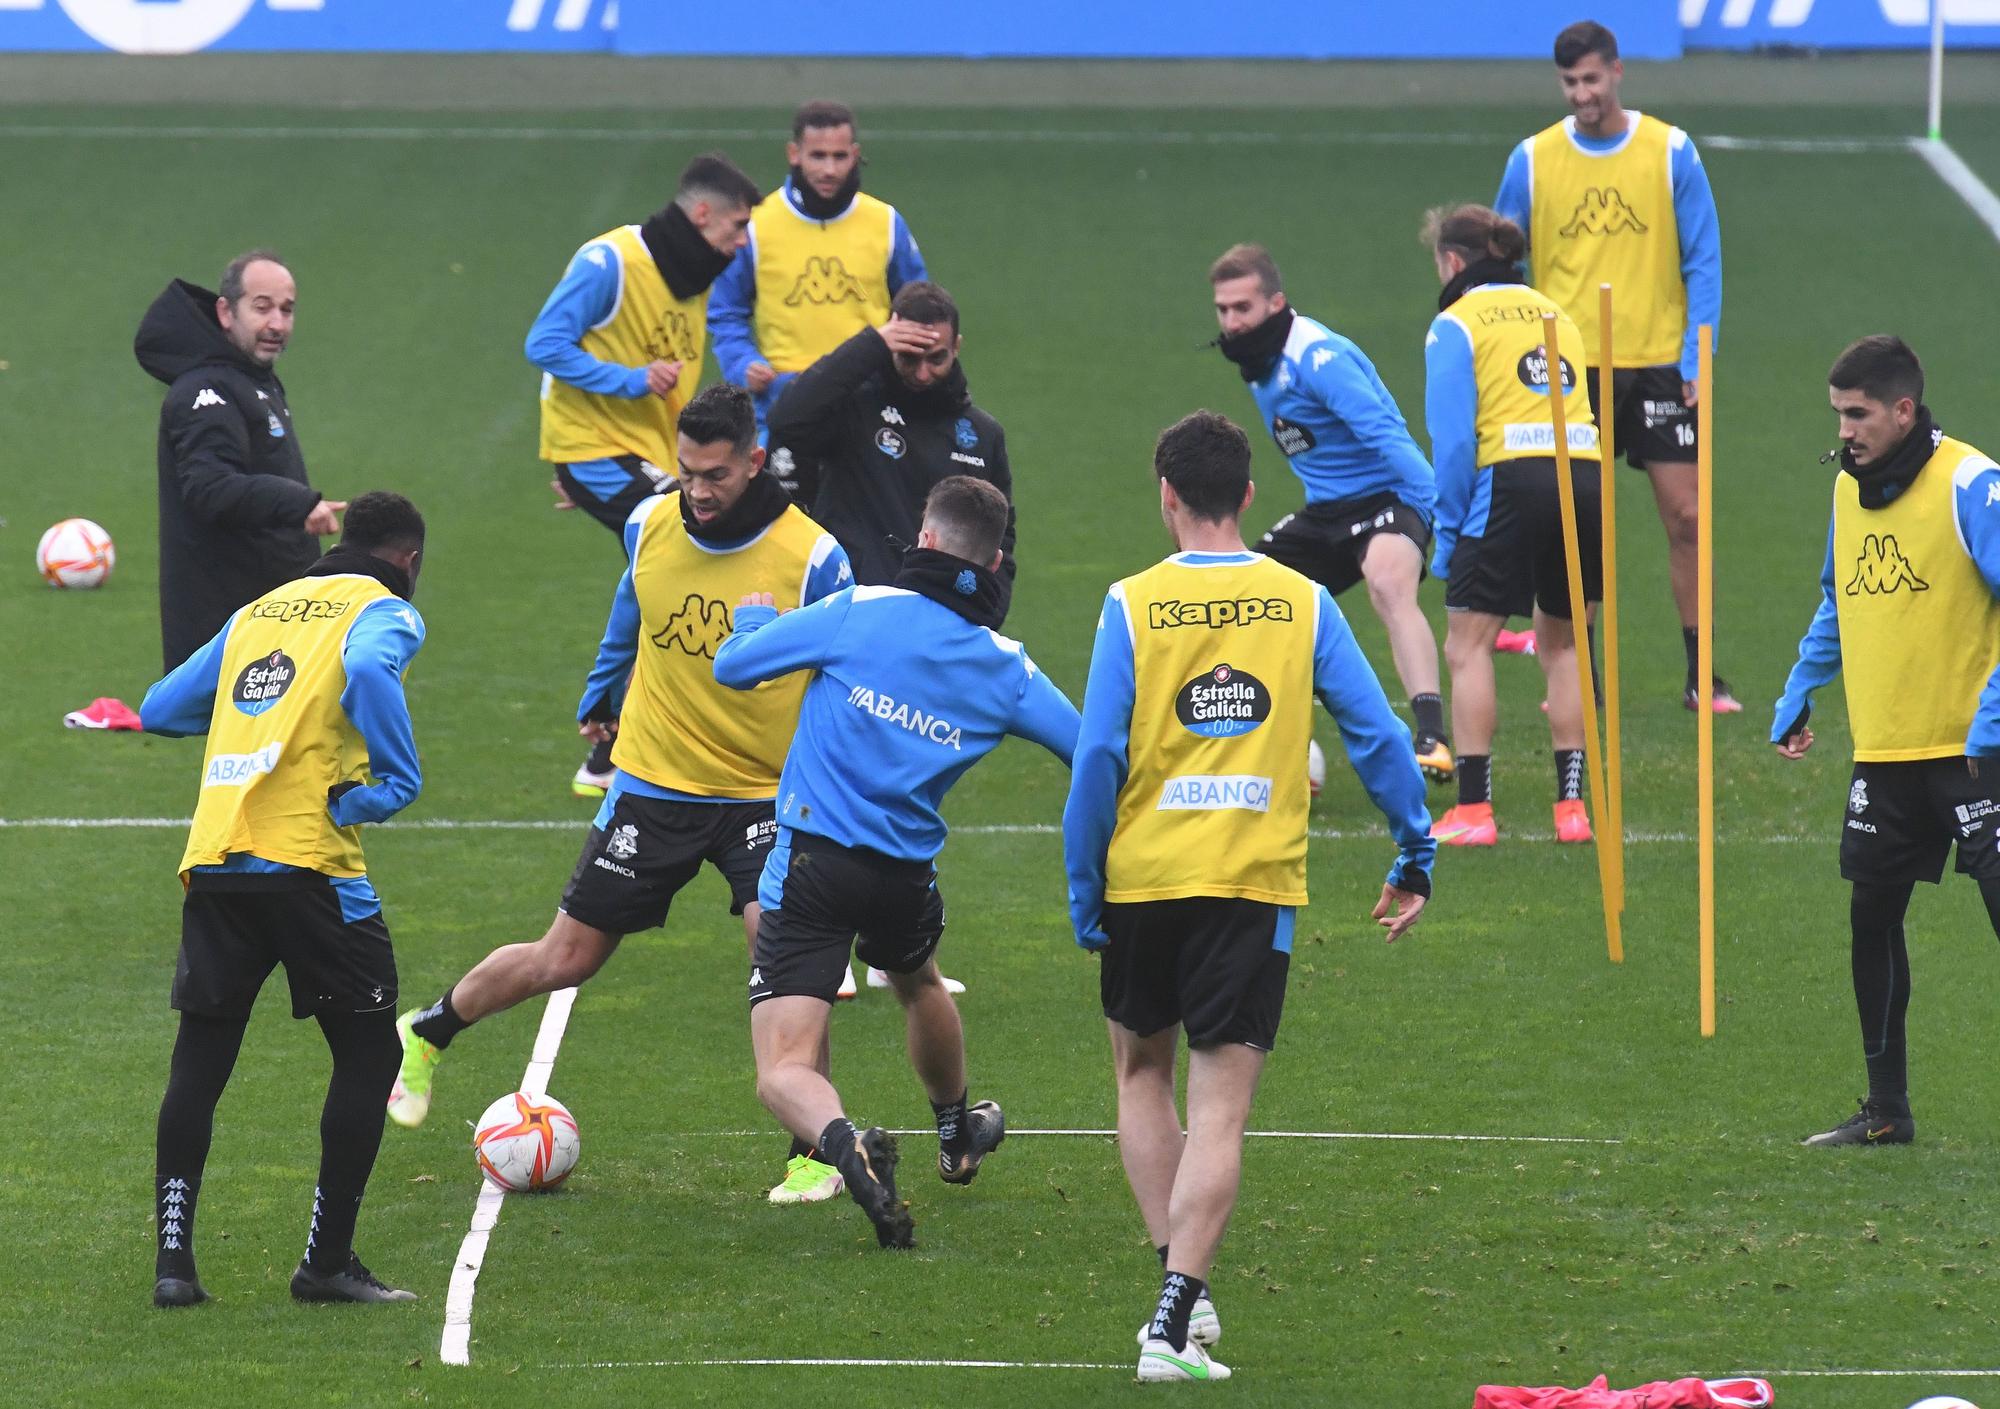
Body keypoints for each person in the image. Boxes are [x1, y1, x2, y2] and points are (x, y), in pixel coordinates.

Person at [388, 386, 855, 1207]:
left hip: (763, 793)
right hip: (654, 782)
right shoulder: (650, 522)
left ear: (752, 461)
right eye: (685, 471)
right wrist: (601, 691)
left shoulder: (815, 557)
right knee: (567, 957)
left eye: (713, 474)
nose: (697, 490)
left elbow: (845, 676)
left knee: (778, 951)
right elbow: (630, 611)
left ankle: (812, 1146)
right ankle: (427, 1033)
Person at [1062, 410, 1433, 1382]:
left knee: (1140, 1076)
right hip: (1248, 885)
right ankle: (1171, 1317)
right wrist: (1413, 845)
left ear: (1166, 495)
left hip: (1140, 875)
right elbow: (1378, 735)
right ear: (1249, 498)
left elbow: (1096, 754)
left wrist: (1081, 882)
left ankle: (1178, 1292)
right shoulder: (1302, 600)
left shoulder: (1128, 602)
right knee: (1218, 1109)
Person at [713, 476, 1079, 1250]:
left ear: (927, 539)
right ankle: (956, 1136)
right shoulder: (1007, 665)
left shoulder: (860, 609)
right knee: (918, 983)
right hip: (903, 877)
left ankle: (845, 1146)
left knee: (782, 1069)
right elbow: (1088, 749)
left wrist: (751, 622)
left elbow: (735, 668)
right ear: (996, 559)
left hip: (812, 865)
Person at [137, 492, 429, 1308]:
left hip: (216, 860)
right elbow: (369, 669)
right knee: (369, 1055)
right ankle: (325, 1263)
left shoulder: (259, 611)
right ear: (407, 559)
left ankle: (174, 1265)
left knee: (200, 1061)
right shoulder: (384, 608)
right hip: (310, 865)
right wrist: (390, 782)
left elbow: (161, 709)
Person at [1772, 336, 2000, 1147]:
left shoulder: (1971, 482)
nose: (1847, 430)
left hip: (1974, 755)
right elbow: (1841, 597)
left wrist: (1994, 715)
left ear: (1904, 410)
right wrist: (1803, 686)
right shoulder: (1845, 488)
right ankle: (1886, 1110)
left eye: (1859, 414)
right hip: (1888, 752)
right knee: (1872, 918)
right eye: (1839, 414)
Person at [767, 278, 1003, 996]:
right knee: (833, 775)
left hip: (935, 639)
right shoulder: (855, 405)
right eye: (908, 354)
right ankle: (828, 945)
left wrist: (988, 617)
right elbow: (787, 418)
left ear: (957, 347)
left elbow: (1002, 533)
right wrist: (872, 345)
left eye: (935, 357)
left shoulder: (980, 435)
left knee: (910, 788)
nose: (922, 369)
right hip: (852, 626)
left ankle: (896, 946)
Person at [1494, 18, 1732, 713]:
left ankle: (1703, 674)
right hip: (1568, 372)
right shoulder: (1532, 160)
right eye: (1569, 83)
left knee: (1688, 516)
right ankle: (1576, 675)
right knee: (1577, 525)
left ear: (1618, 72)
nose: (1581, 95)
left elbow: (1704, 258)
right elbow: (1502, 265)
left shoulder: (1671, 152)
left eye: (1591, 80)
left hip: (1661, 362)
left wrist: (1698, 353)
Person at [525, 151, 762, 797]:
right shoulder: (610, 262)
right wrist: (627, 386)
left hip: (641, 459)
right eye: (736, 227)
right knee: (676, 544)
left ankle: (620, 739)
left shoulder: (692, 277)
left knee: (680, 551)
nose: (740, 243)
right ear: (703, 213)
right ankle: (606, 724)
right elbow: (544, 342)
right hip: (592, 447)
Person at [1208, 242, 1453, 783]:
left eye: (1242, 308)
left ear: (1275, 303)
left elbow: (1389, 436)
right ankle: (1280, 742)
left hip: (1391, 498)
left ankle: (1432, 737)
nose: (1231, 322)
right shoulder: (1257, 360)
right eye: (1223, 310)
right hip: (1327, 512)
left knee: (1388, 584)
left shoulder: (1318, 360)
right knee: (1236, 597)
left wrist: (1441, 515)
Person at [1421, 204, 1605, 848]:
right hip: (1583, 474)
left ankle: (1474, 811)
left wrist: (1448, 530)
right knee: (1564, 643)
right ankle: (1572, 810)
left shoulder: (1455, 325)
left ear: (1452, 262)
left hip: (1510, 478)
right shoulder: (1559, 314)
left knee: (1467, 645)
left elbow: (1450, 448)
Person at [136, 250, 346, 673]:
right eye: (262, 307)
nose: (277, 324)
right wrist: (298, 503)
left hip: (271, 623)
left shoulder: (252, 381)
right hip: (235, 633)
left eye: (286, 310)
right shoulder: (204, 390)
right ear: (226, 312)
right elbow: (209, 487)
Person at [709, 99, 929, 465]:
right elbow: (725, 311)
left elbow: (918, 308)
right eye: (818, 156)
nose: (829, 169)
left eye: (840, 156)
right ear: (794, 153)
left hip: (871, 401)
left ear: (855, 154)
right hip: (784, 402)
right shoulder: (756, 225)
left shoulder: (886, 223)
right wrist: (741, 362)